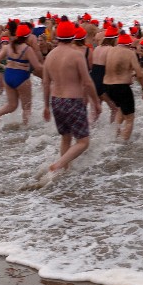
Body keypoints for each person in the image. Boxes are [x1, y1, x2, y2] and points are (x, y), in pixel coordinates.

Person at [42, 21, 102, 172]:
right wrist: (96, 102)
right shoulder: (76, 55)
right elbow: (87, 82)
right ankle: (58, 165)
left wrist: (45, 106)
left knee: (66, 138)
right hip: (73, 101)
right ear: (73, 36)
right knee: (84, 141)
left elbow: (45, 83)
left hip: (56, 101)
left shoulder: (50, 55)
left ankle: (64, 171)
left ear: (58, 36)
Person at [0, 24, 44, 128]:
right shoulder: (27, 49)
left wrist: (6, 65)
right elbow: (37, 67)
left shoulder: (7, 46)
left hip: (8, 76)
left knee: (12, 105)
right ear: (27, 36)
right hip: (21, 77)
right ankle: (26, 129)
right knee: (26, 107)